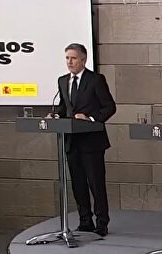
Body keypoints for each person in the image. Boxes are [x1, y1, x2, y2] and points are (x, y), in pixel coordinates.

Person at [54, 43, 116, 237]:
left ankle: (102, 223)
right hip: (72, 142)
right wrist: (55, 115)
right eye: (67, 58)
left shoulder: (96, 80)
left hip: (92, 142)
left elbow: (109, 107)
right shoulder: (63, 81)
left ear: (83, 59)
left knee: (96, 184)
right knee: (78, 184)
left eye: (73, 58)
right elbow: (64, 107)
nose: (69, 62)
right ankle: (85, 221)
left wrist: (90, 118)